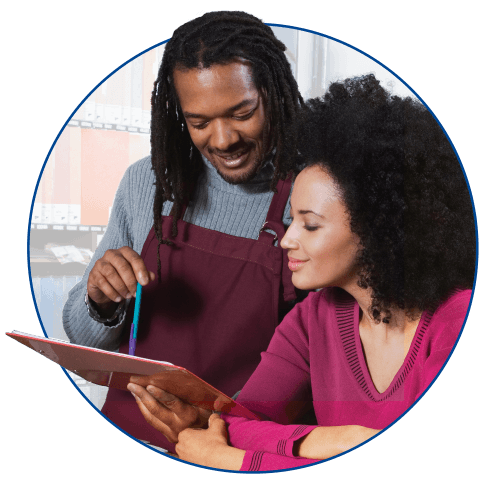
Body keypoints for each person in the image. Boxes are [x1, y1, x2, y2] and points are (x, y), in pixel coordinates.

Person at [129, 75, 476, 470]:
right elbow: (236, 422)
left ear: (381, 229)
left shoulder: (460, 323)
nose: (287, 239)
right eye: (290, 219)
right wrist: (340, 441)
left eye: (309, 225)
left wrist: (234, 463)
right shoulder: (313, 319)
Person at [62, 11, 307, 452]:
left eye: (242, 112)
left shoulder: (311, 201)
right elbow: (81, 341)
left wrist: (215, 427)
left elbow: (320, 378)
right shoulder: (148, 185)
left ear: (272, 92)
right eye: (199, 122)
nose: (223, 139)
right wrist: (97, 301)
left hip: (238, 453)